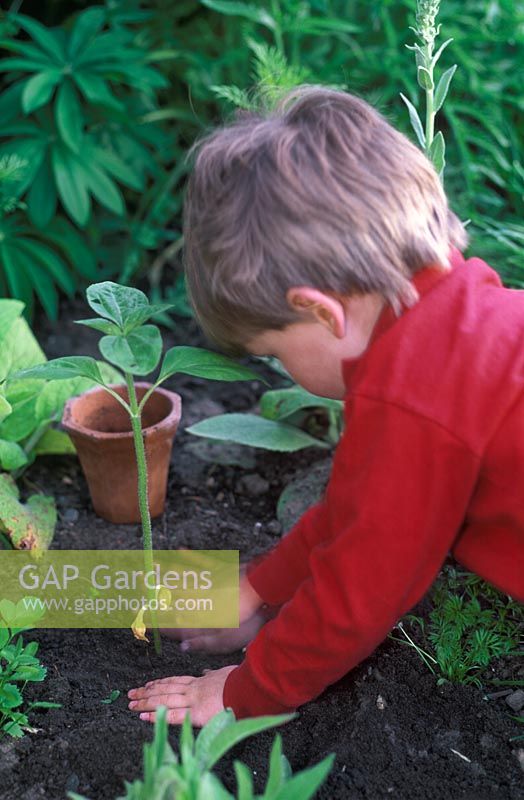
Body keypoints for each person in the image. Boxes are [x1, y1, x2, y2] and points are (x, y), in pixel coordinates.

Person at [128, 86, 524, 726]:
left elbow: (359, 594)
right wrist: (258, 588)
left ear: (320, 311)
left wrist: (242, 692)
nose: (282, 370)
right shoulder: (459, 329)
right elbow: (358, 506)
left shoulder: (414, 397)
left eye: (276, 353)